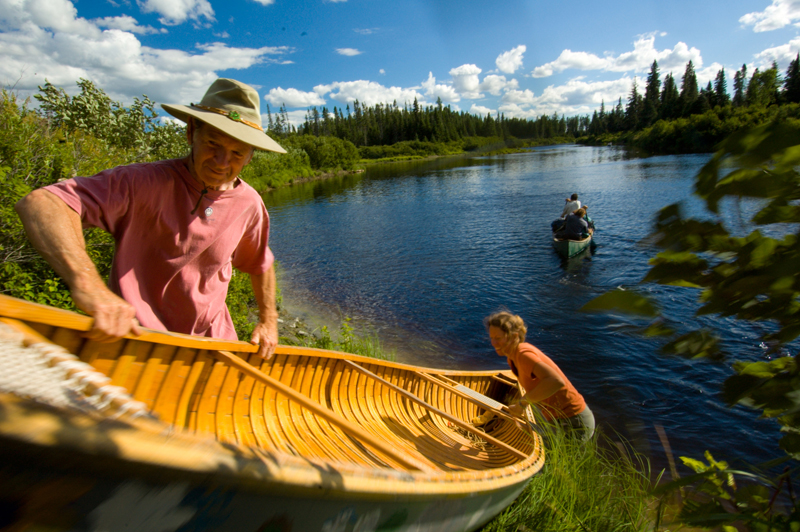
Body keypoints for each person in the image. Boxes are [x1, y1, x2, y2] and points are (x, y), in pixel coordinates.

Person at [14, 78, 285, 359]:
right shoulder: (140, 183)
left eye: (237, 153)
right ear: (191, 132)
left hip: (213, 348)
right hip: (138, 346)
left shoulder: (249, 203)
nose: (221, 161)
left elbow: (259, 262)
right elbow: (43, 203)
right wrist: (88, 286)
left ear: (250, 156)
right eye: (213, 143)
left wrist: (268, 321)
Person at [481, 311, 595, 441]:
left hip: (574, 421)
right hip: (557, 418)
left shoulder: (524, 354)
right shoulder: (512, 358)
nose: (493, 343)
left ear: (514, 336)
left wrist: (522, 404)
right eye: (492, 338)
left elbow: (556, 381)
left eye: (498, 338)